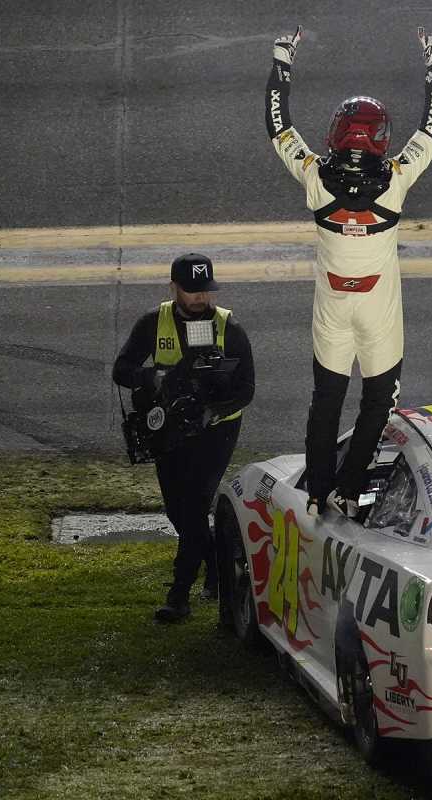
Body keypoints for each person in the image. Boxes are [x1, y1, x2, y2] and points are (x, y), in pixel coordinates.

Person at [265, 24, 432, 516]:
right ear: (380, 140)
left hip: (331, 305)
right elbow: (431, 130)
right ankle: (348, 490)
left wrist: (283, 57)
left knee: (325, 401)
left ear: (335, 134)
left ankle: (320, 491)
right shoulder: (395, 180)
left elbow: (278, 127)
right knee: (378, 402)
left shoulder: (314, 178)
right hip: (378, 306)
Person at [112, 254, 255, 623]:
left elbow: (247, 390)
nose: (199, 299)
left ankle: (179, 594)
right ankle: (214, 564)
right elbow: (122, 370)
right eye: (191, 291)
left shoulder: (229, 327)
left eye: (205, 291)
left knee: (195, 506)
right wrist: (155, 378)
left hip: (216, 431)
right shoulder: (152, 323)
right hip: (171, 429)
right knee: (179, 512)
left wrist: (213, 411)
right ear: (173, 288)